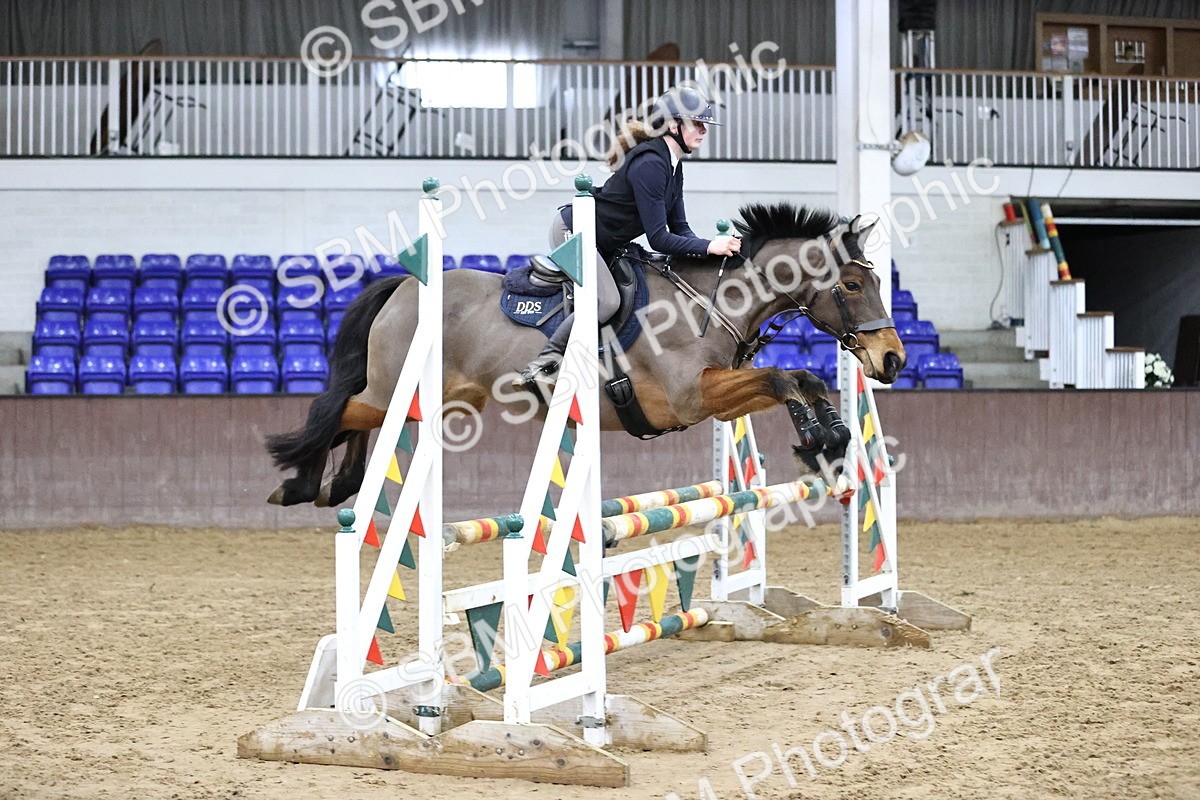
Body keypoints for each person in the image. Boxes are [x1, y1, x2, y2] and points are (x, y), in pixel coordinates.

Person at [518, 86, 742, 387]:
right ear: (673, 125)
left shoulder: (673, 167)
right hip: (573, 232)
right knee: (606, 301)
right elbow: (659, 239)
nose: (704, 131)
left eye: (705, 125)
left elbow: (680, 229)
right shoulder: (650, 165)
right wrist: (709, 246)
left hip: (605, 240)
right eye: (697, 124)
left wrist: (710, 253)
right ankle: (543, 363)